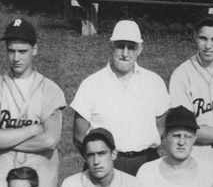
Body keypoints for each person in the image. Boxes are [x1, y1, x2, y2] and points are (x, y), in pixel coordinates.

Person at [0, 17, 68, 187]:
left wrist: (6, 139)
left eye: (22, 51)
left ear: (34, 49)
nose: (16, 58)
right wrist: (32, 129)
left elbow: (50, 140)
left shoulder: (51, 90)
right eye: (11, 51)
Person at [71, 21, 168, 173]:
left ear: (140, 49)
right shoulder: (91, 83)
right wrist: (99, 162)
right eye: (120, 46)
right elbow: (79, 136)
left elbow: (161, 128)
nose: (125, 53)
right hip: (106, 166)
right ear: (111, 46)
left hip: (146, 165)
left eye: (131, 47)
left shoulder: (154, 82)